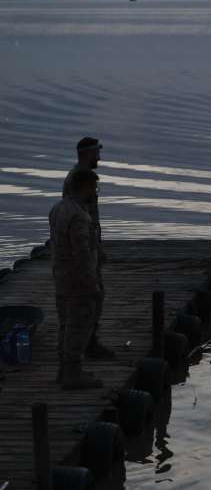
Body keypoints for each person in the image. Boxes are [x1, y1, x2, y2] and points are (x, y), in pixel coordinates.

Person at [49, 169, 104, 390]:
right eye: (94, 187)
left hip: (61, 277)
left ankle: (65, 371)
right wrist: (92, 284)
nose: (95, 192)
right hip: (78, 281)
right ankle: (73, 374)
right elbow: (81, 254)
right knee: (79, 325)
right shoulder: (79, 216)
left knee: (65, 324)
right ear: (86, 187)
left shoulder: (57, 209)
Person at [62, 136, 115, 359]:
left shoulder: (83, 177)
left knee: (96, 297)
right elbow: (77, 221)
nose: (100, 158)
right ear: (88, 153)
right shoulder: (76, 180)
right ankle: (85, 345)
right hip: (82, 249)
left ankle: (88, 341)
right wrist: (87, 252)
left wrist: (99, 247)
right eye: (97, 153)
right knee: (91, 296)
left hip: (91, 245)